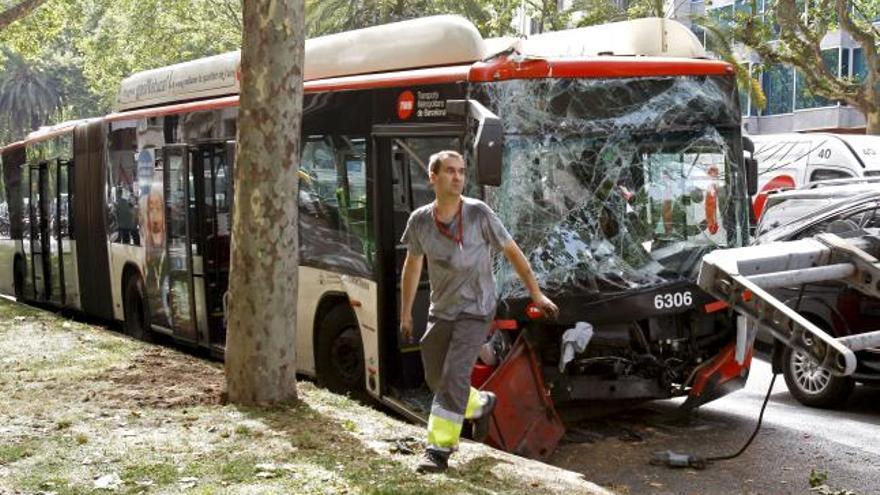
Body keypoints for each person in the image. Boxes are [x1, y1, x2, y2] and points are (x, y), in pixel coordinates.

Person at [399, 150, 559, 474]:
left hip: (476, 309)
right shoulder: (419, 221)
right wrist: (405, 313)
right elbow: (412, 265)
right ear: (433, 177)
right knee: (435, 377)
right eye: (450, 171)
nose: (458, 177)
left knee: (455, 375)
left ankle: (438, 449)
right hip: (441, 311)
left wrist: (536, 293)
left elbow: (512, 251)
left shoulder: (478, 213)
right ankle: (482, 403)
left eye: (461, 172)